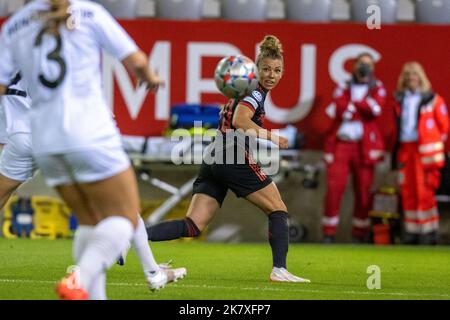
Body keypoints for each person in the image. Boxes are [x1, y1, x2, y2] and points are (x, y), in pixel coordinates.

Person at [0, 0, 185, 300]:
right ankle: (80, 278)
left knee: (88, 221)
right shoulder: (88, 12)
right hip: (88, 132)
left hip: (45, 139)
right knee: (124, 217)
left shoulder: (16, 25)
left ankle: (104, 287)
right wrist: (149, 78)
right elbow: (136, 60)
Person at [146, 35, 310, 283]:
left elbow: (232, 116)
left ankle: (132, 237)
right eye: (266, 69)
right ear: (255, 70)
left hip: (213, 156)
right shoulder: (254, 94)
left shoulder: (242, 91)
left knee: (193, 225)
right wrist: (274, 138)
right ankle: (280, 270)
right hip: (232, 156)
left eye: (277, 70)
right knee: (278, 209)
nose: (271, 75)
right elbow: (240, 121)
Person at [323, 52, 386, 243]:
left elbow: (375, 110)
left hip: (364, 146)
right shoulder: (344, 85)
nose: (364, 67)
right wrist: (360, 107)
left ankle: (360, 234)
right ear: (354, 66)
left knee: (364, 191)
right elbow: (340, 109)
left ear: (373, 68)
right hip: (341, 144)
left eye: (368, 64)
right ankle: (329, 233)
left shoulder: (378, 87)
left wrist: (353, 106)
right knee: (334, 189)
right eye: (361, 63)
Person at [392, 62, 449, 245]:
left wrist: (433, 149)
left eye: (414, 75)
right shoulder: (400, 99)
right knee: (408, 192)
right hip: (405, 149)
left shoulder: (433, 99)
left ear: (421, 77)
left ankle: (429, 231)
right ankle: (411, 231)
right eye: (408, 75)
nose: (411, 79)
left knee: (424, 192)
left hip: (424, 153)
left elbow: (444, 128)